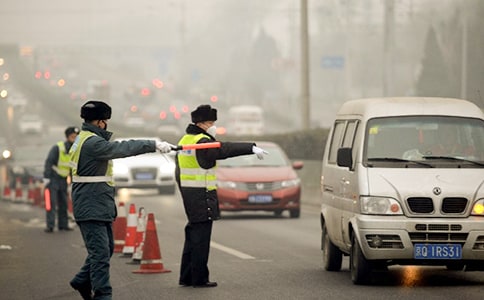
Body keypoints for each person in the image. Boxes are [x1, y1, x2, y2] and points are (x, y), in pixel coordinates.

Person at [68, 100, 172, 300]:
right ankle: (102, 295)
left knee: (105, 249)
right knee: (100, 255)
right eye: (105, 121)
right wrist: (153, 144)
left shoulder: (84, 138)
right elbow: (122, 148)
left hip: (96, 204)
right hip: (91, 206)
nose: (106, 124)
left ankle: (81, 280)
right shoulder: (92, 143)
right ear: (100, 122)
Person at [176, 104, 267, 288]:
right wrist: (250, 147)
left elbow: (178, 172)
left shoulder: (186, 139)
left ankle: (186, 277)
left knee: (192, 236)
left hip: (190, 194)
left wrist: (185, 191)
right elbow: (223, 150)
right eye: (211, 122)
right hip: (202, 195)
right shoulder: (202, 141)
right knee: (201, 239)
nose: (213, 126)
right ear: (201, 123)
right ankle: (199, 279)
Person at [43, 126, 80, 233]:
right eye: (73, 137)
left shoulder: (75, 150)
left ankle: (63, 225)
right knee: (52, 203)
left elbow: (73, 167)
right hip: (53, 179)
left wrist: (74, 182)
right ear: (68, 137)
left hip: (63, 180)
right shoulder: (58, 148)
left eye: (76, 137)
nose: (75, 139)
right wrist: (46, 177)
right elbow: (49, 162)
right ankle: (50, 225)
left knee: (63, 203)